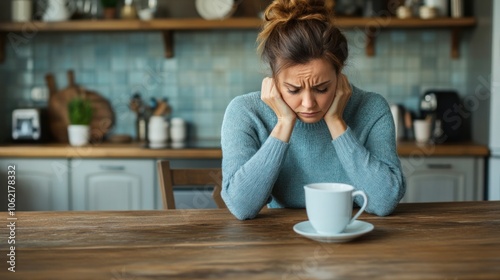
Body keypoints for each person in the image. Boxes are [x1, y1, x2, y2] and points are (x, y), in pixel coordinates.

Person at [221, 0, 406, 220]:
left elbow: (384, 201)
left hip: (353, 236)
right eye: (293, 90)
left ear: (340, 76)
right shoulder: (245, 113)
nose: (308, 103)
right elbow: (241, 207)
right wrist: (283, 124)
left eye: (321, 88)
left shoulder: (372, 109)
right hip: (277, 242)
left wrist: (336, 121)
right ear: (273, 82)